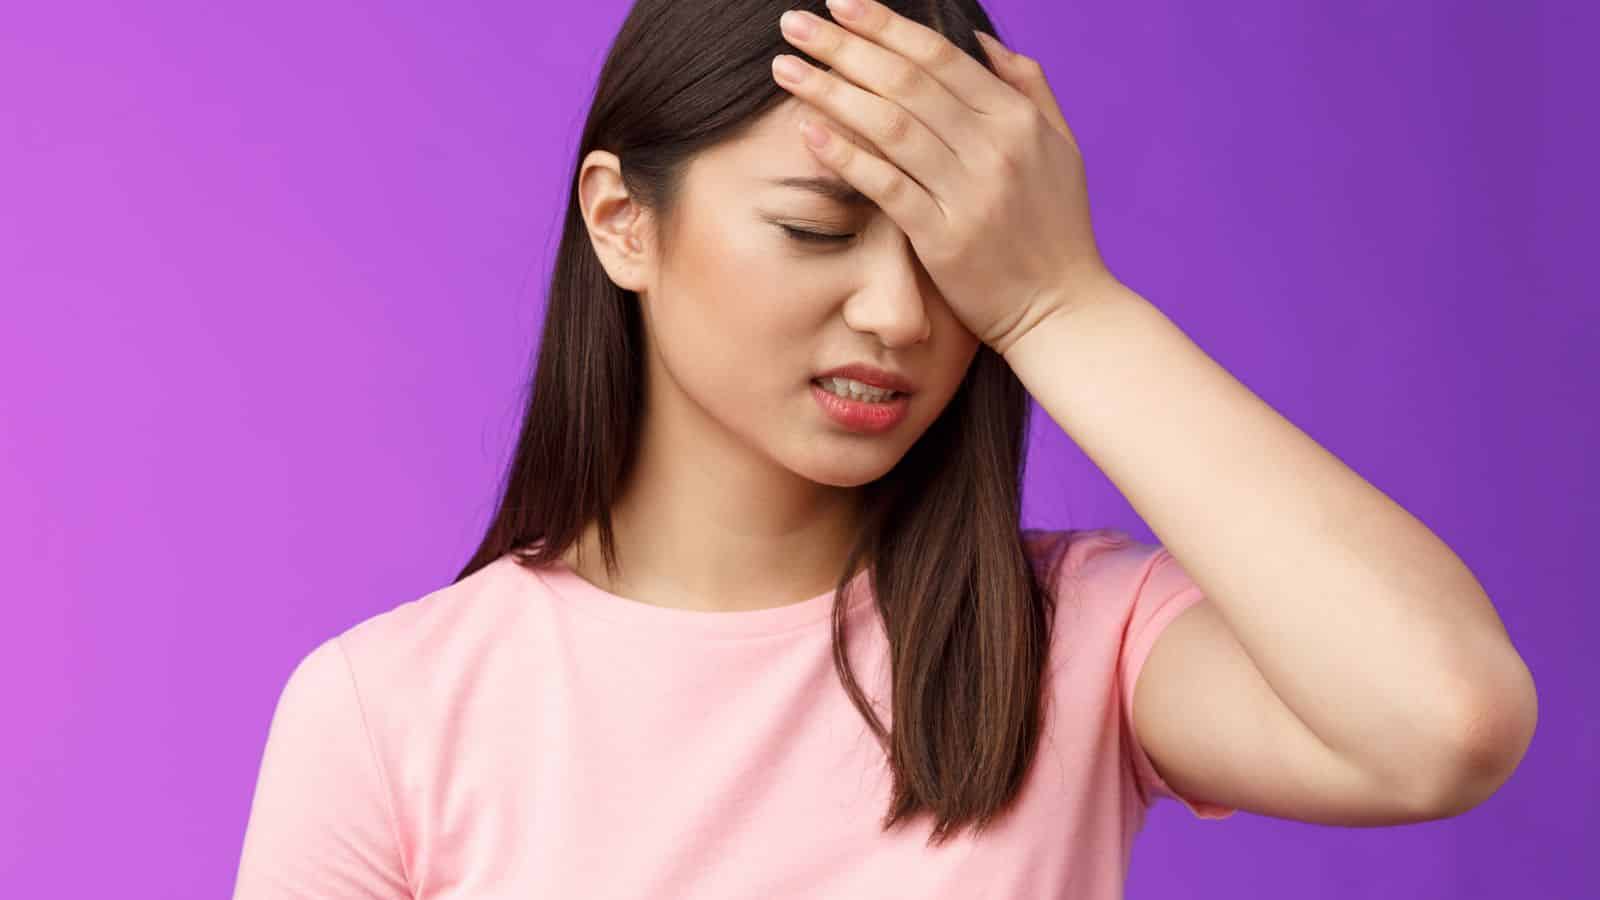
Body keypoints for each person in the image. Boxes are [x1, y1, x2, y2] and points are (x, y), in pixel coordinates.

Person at [233, 0, 1248, 896]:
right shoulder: (393, 710)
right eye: (816, 230)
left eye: (948, 255)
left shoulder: (1075, 637)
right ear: (622, 219)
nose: (898, 314)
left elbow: (1412, 728)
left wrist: (1061, 302)